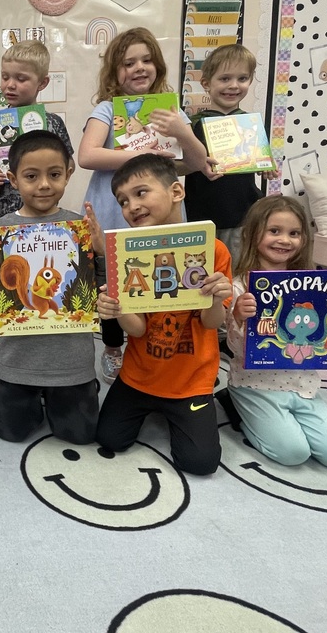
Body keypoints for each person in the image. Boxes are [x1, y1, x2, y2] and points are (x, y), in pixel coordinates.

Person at [77, 28, 210, 384]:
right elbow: (87, 155)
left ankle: (160, 347)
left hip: (162, 219)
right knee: (111, 289)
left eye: (147, 60)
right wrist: (142, 153)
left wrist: (181, 131)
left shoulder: (170, 110)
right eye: (128, 62)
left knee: (159, 284)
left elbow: (197, 162)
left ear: (158, 65)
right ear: (114, 72)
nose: (139, 68)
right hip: (111, 215)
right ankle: (112, 349)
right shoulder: (107, 109)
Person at [94, 154, 232, 476]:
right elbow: (139, 331)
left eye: (141, 193)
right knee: (109, 439)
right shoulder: (127, 253)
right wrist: (118, 309)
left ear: (176, 192)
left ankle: (227, 402)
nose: (132, 207)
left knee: (199, 463)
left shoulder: (213, 250)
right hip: (139, 374)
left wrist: (216, 298)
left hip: (192, 380)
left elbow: (213, 323)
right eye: (123, 201)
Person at [222, 196, 327, 468]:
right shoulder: (240, 287)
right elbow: (233, 347)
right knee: (292, 453)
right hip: (255, 386)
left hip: (304, 386)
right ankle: (236, 406)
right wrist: (238, 318)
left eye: (294, 233)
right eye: (274, 231)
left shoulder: (315, 284)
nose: (285, 240)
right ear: (252, 234)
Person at [0, 130, 100, 444]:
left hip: (72, 362)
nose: (44, 184)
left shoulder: (79, 228)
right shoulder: (2, 229)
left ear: (68, 175)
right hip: (17, 362)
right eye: (32, 176)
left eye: (54, 174)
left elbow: (99, 291)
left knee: (82, 435)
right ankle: (12, 392)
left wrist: (98, 255)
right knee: (8, 431)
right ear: (14, 180)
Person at [0, 39, 74, 372]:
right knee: (4, 281)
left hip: (46, 218)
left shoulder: (53, 122)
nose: (10, 85)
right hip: (5, 215)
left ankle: (48, 332)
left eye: (20, 78)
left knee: (42, 279)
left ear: (42, 83)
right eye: (5, 77)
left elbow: (68, 162)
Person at [183, 44, 269, 268]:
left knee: (238, 272)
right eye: (224, 79)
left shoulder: (250, 124)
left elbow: (259, 165)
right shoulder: (192, 124)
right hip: (201, 214)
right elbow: (179, 166)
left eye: (242, 78)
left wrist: (267, 167)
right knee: (201, 273)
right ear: (206, 84)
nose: (233, 86)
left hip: (242, 216)